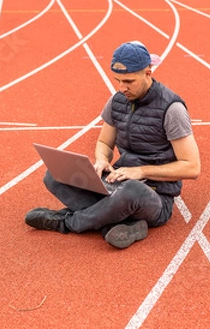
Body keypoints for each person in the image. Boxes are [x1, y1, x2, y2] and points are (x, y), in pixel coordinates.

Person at [25, 41, 200, 249]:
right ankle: (120, 225)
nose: (122, 88)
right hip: (115, 182)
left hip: (153, 195)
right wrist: (101, 160)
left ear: (148, 72)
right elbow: (104, 142)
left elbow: (191, 167)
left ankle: (67, 221)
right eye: (117, 80)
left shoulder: (172, 109)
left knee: (131, 191)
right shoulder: (117, 101)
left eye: (128, 81)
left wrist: (140, 171)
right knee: (54, 174)